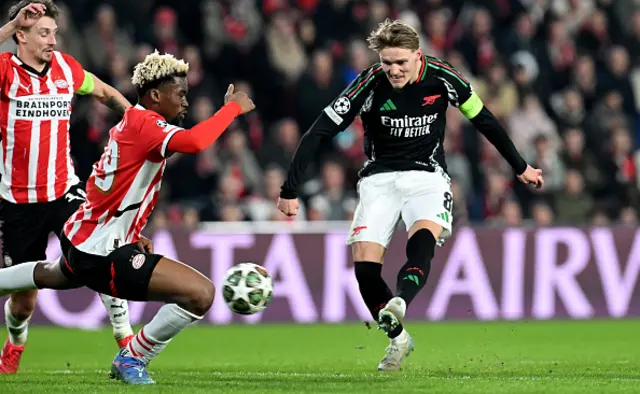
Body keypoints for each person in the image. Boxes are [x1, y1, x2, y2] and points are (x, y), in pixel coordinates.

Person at [276, 19, 544, 371]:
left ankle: (400, 300)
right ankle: (399, 339)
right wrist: (290, 188)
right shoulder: (370, 82)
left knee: (423, 237)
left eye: (402, 62)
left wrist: (520, 165)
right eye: (388, 62)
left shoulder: (444, 77)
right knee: (364, 269)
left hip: (427, 176)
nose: (394, 70)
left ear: (418, 56)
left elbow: (485, 120)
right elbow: (318, 131)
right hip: (379, 179)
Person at [0, 50, 255, 384]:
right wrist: (231, 108)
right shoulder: (146, 125)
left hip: (85, 240)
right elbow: (195, 141)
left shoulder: (131, 122)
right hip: (101, 250)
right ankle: (132, 358)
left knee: (50, 273)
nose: (185, 103)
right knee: (200, 294)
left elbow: (111, 191)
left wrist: (131, 232)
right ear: (154, 95)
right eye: (180, 94)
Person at [0, 0, 136, 373]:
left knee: (99, 255)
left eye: (54, 33)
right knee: (23, 301)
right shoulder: (5, 71)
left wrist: (138, 122)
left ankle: (127, 345)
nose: (52, 41)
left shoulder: (66, 68)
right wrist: (10, 25)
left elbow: (106, 93)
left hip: (64, 191)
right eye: (43, 33)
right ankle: (15, 343)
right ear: (21, 36)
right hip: (17, 201)